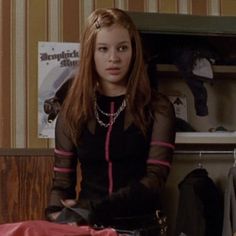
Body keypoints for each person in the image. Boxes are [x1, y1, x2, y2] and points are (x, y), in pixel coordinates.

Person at [45, 7, 176, 234]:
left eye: (122, 48)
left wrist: (94, 209)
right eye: (103, 49)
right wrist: (55, 215)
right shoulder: (72, 110)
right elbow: (61, 185)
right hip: (89, 228)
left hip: (142, 228)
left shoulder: (159, 108)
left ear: (133, 51)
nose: (113, 58)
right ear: (90, 53)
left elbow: (154, 181)